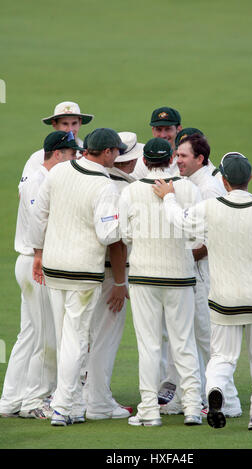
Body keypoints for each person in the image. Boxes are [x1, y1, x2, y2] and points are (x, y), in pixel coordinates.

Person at [153, 151, 252, 430]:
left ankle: (215, 390)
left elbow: (181, 222)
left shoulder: (211, 208)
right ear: (250, 178)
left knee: (221, 357)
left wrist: (168, 197)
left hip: (223, 301)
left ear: (224, 180)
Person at [27, 128, 128, 427]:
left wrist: (38, 252)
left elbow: (38, 215)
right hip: (82, 272)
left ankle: (68, 405)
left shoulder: (59, 172)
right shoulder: (105, 186)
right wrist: (128, 221)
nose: (118, 156)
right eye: (117, 151)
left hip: (54, 267)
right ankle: (62, 406)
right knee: (75, 339)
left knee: (65, 337)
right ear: (107, 152)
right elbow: (108, 234)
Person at [119, 137, 203, 427]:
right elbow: (198, 234)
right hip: (180, 276)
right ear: (170, 160)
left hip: (143, 276)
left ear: (145, 161)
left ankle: (149, 411)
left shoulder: (130, 191)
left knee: (150, 345)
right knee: (183, 342)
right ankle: (192, 406)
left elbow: (125, 235)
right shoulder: (190, 188)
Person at [0, 131, 80, 419]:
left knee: (30, 333)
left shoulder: (36, 176)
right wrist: (39, 255)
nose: (74, 159)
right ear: (58, 154)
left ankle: (10, 400)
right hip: (37, 262)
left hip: (31, 261)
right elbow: (37, 224)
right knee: (46, 335)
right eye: (71, 154)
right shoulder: (40, 180)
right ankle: (34, 400)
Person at [161, 134, 242, 419]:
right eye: (176, 155)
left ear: (200, 159)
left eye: (183, 156)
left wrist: (182, 257)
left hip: (205, 274)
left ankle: (228, 401)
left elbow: (216, 236)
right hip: (194, 272)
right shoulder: (194, 182)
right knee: (188, 338)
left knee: (207, 338)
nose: (177, 161)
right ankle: (188, 397)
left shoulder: (209, 188)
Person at [84, 132, 144, 420]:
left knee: (87, 336)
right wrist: (120, 282)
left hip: (87, 271)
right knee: (105, 338)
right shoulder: (121, 187)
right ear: (128, 160)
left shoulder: (88, 176)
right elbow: (117, 241)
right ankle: (98, 403)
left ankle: (84, 398)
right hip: (111, 273)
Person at [18, 101, 93, 191]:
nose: (70, 129)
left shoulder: (89, 154)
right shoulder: (37, 157)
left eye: (74, 123)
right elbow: (24, 192)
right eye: (65, 124)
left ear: (80, 123)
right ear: (54, 124)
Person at [131, 106, 182, 180]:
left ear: (179, 129)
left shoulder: (188, 158)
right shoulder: (140, 162)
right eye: (159, 129)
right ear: (153, 130)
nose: (163, 135)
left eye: (168, 129)